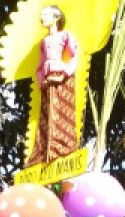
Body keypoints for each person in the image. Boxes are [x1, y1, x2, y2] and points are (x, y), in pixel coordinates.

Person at [28, 5, 80, 165]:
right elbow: (40, 65)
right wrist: (41, 81)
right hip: (47, 79)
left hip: (60, 76)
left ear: (56, 18)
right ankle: (45, 152)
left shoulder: (65, 35)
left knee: (60, 112)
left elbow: (75, 54)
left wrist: (65, 73)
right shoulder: (44, 42)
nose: (42, 17)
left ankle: (62, 147)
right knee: (47, 114)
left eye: (46, 15)